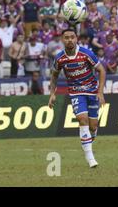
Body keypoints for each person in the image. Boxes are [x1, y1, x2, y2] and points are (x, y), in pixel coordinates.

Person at [48, 28, 106, 168]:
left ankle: (88, 144)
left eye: (72, 37)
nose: (69, 40)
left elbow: (101, 70)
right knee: (82, 119)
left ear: (76, 38)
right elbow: (54, 75)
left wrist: (100, 92)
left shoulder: (86, 53)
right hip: (76, 93)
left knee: (93, 126)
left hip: (92, 92)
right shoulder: (60, 58)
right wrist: (52, 94)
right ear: (62, 40)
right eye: (66, 37)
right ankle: (90, 158)